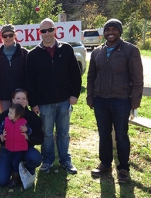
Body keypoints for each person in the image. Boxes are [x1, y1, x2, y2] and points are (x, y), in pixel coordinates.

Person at [86, 18, 143, 183]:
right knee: (103, 134)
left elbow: (137, 80)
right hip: (100, 101)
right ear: (103, 33)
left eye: (114, 29)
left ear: (120, 31)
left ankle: (123, 168)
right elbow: (91, 77)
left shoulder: (130, 50)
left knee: (121, 136)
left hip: (121, 101)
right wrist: (90, 97)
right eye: (107, 30)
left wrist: (134, 103)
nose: (110, 33)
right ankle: (105, 164)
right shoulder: (97, 52)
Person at [26, 18, 82, 174]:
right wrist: (34, 103)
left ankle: (65, 160)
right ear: (40, 33)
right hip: (44, 104)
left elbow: (75, 74)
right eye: (43, 31)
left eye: (49, 30)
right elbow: (30, 81)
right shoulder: (33, 55)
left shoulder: (66, 49)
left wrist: (74, 94)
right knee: (47, 135)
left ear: (55, 30)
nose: (47, 33)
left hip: (65, 100)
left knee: (64, 133)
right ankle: (48, 160)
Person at [0, 89, 44, 187]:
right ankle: (12, 169)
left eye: (23, 98)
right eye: (18, 98)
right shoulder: (5, 115)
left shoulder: (32, 117)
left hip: (25, 148)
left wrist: (28, 137)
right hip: (8, 148)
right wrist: (0, 137)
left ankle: (27, 169)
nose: (20, 101)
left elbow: (40, 138)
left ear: (27, 101)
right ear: (13, 100)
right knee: (1, 181)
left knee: (35, 158)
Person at [0, 24, 28, 112]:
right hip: (4, 97)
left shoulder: (24, 53)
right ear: (1, 37)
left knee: (21, 122)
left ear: (15, 35)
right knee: (6, 122)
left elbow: (29, 75)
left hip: (20, 97)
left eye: (10, 35)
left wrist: (27, 94)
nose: (8, 38)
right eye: (5, 36)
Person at [0, 103, 30, 187]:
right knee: (11, 161)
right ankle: (15, 175)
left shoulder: (23, 122)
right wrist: (1, 135)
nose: (8, 114)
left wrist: (27, 130)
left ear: (18, 115)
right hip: (9, 147)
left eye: (11, 113)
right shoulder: (5, 120)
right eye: (9, 112)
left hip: (20, 148)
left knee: (16, 162)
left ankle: (16, 178)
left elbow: (30, 131)